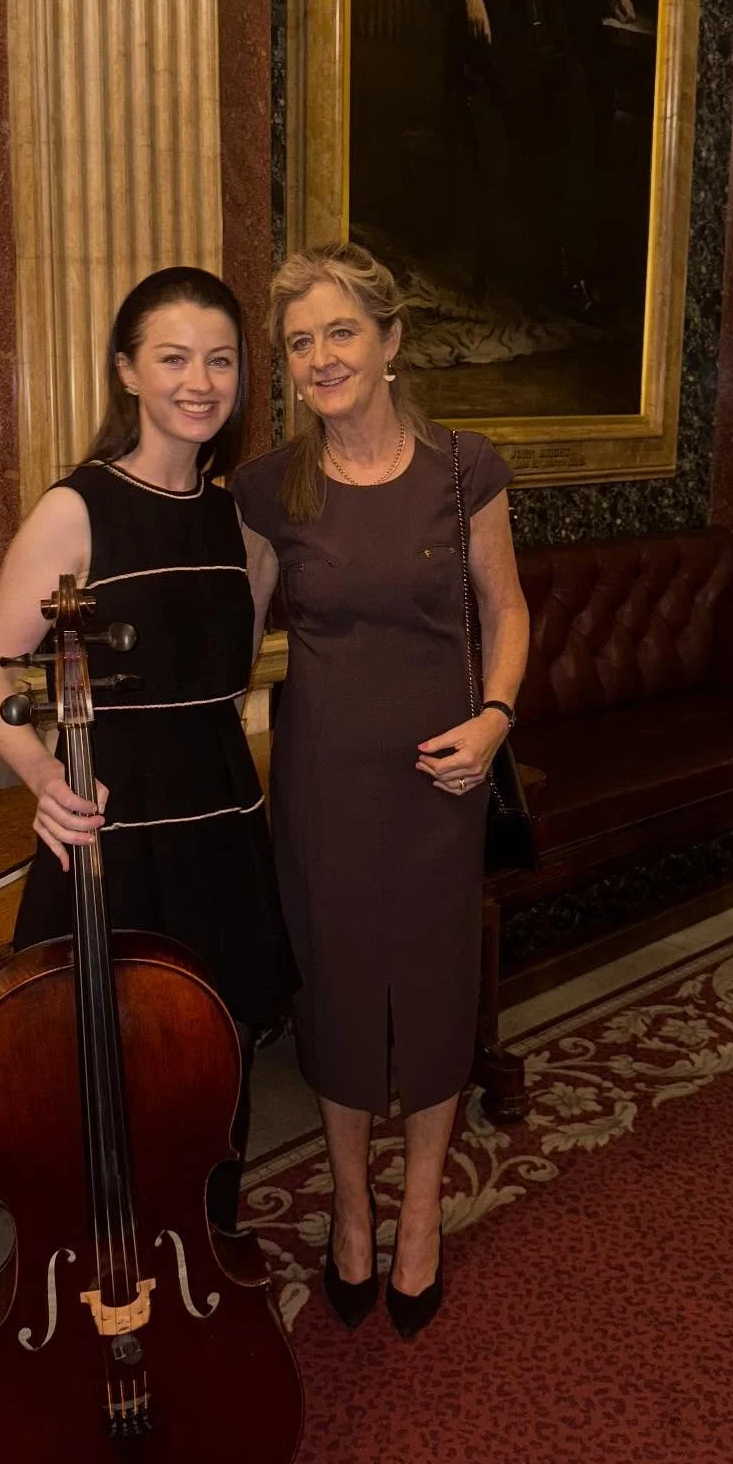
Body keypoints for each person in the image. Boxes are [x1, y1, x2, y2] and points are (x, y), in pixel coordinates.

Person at [231, 240, 530, 1336]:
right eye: (300, 342)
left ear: (392, 341)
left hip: (442, 789)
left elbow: (506, 609)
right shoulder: (269, 487)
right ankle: (353, 1213)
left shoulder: (465, 470)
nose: (320, 358)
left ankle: (418, 1222)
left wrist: (495, 719)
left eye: (340, 332)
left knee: (439, 995)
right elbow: (232, 636)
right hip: (322, 792)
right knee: (345, 997)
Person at [0, 267, 297, 1232]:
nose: (201, 381)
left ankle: (209, 1259)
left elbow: (226, 685)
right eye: (174, 357)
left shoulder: (241, 524)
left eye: (221, 360)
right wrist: (40, 776)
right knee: (108, 1083)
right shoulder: (78, 510)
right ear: (128, 372)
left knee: (217, 1069)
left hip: (224, 826)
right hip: (116, 833)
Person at [432, 0, 634, 314]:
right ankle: (533, 272)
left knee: (580, 106)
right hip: (494, 57)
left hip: (547, 53)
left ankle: (575, 270)